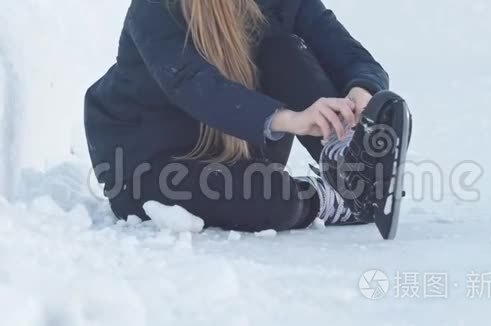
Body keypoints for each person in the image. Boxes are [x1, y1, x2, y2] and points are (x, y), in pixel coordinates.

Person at [84, 0, 411, 237]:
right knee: (272, 200)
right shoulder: (156, 8)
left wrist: (361, 93)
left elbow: (347, 52)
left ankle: (350, 163)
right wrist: (290, 119)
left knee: (285, 51)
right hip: (149, 164)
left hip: (237, 141)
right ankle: (334, 200)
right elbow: (194, 85)